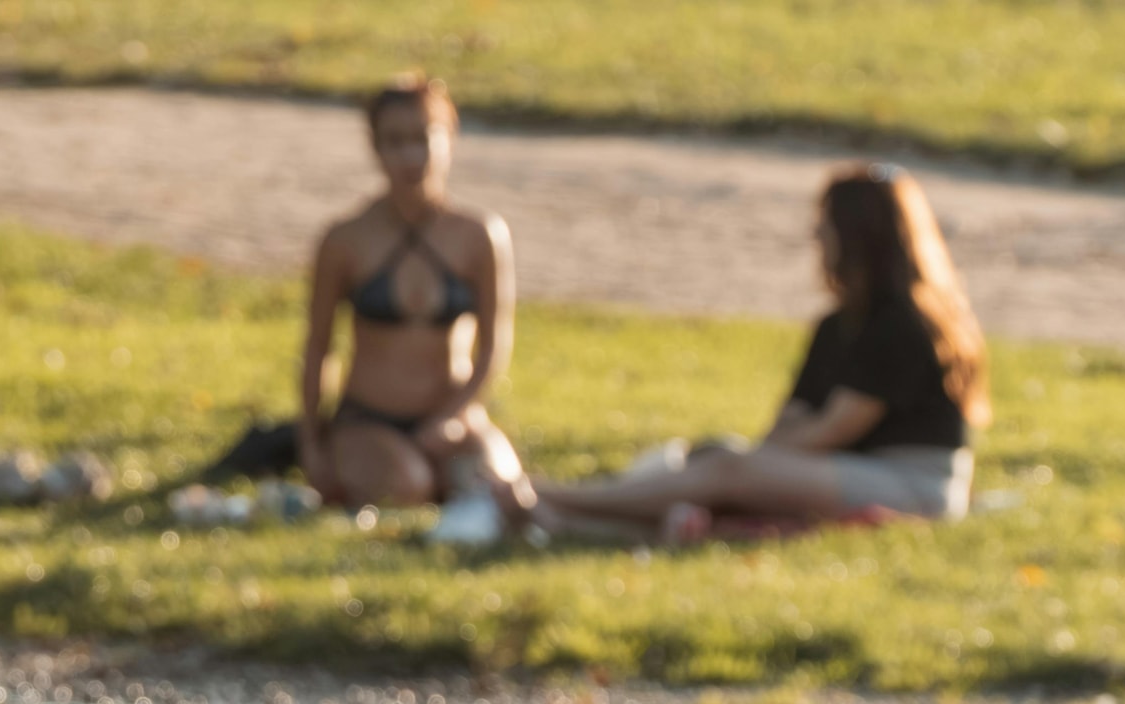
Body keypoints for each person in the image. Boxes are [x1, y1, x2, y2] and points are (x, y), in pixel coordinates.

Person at [528, 165, 987, 543]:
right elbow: (793, 418)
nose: (817, 234)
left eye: (826, 223)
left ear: (857, 235)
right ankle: (568, 523)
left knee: (726, 470)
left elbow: (833, 429)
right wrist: (751, 460)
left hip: (912, 485)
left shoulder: (903, 324)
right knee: (717, 466)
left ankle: (552, 497)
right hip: (846, 469)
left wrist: (751, 465)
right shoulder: (837, 325)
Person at [297, 75, 536, 547]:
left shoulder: (479, 236)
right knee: (409, 488)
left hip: (451, 416)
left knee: (508, 493)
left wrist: (453, 416)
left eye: (424, 138)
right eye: (395, 142)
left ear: (450, 138)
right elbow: (318, 349)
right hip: (368, 419)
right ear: (375, 148)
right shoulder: (346, 239)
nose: (411, 157)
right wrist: (311, 446)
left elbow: (493, 346)